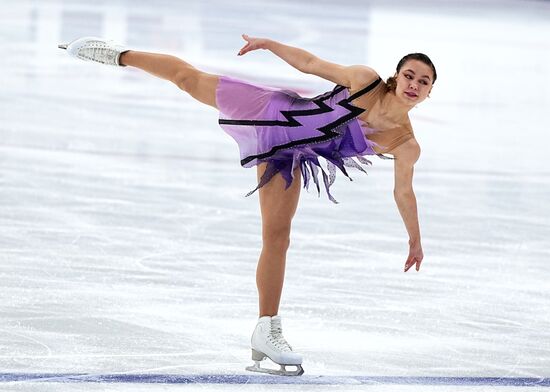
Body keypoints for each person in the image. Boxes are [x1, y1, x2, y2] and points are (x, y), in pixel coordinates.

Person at [58, 34, 436, 376]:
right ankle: (116, 54)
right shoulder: (364, 82)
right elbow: (309, 63)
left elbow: (403, 192)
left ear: (430, 91)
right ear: (396, 76)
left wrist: (415, 240)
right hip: (270, 110)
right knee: (189, 80)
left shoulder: (404, 143)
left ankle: (266, 329)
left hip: (288, 154)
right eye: (410, 75)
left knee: (277, 236)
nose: (414, 85)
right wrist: (270, 44)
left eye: (423, 81)